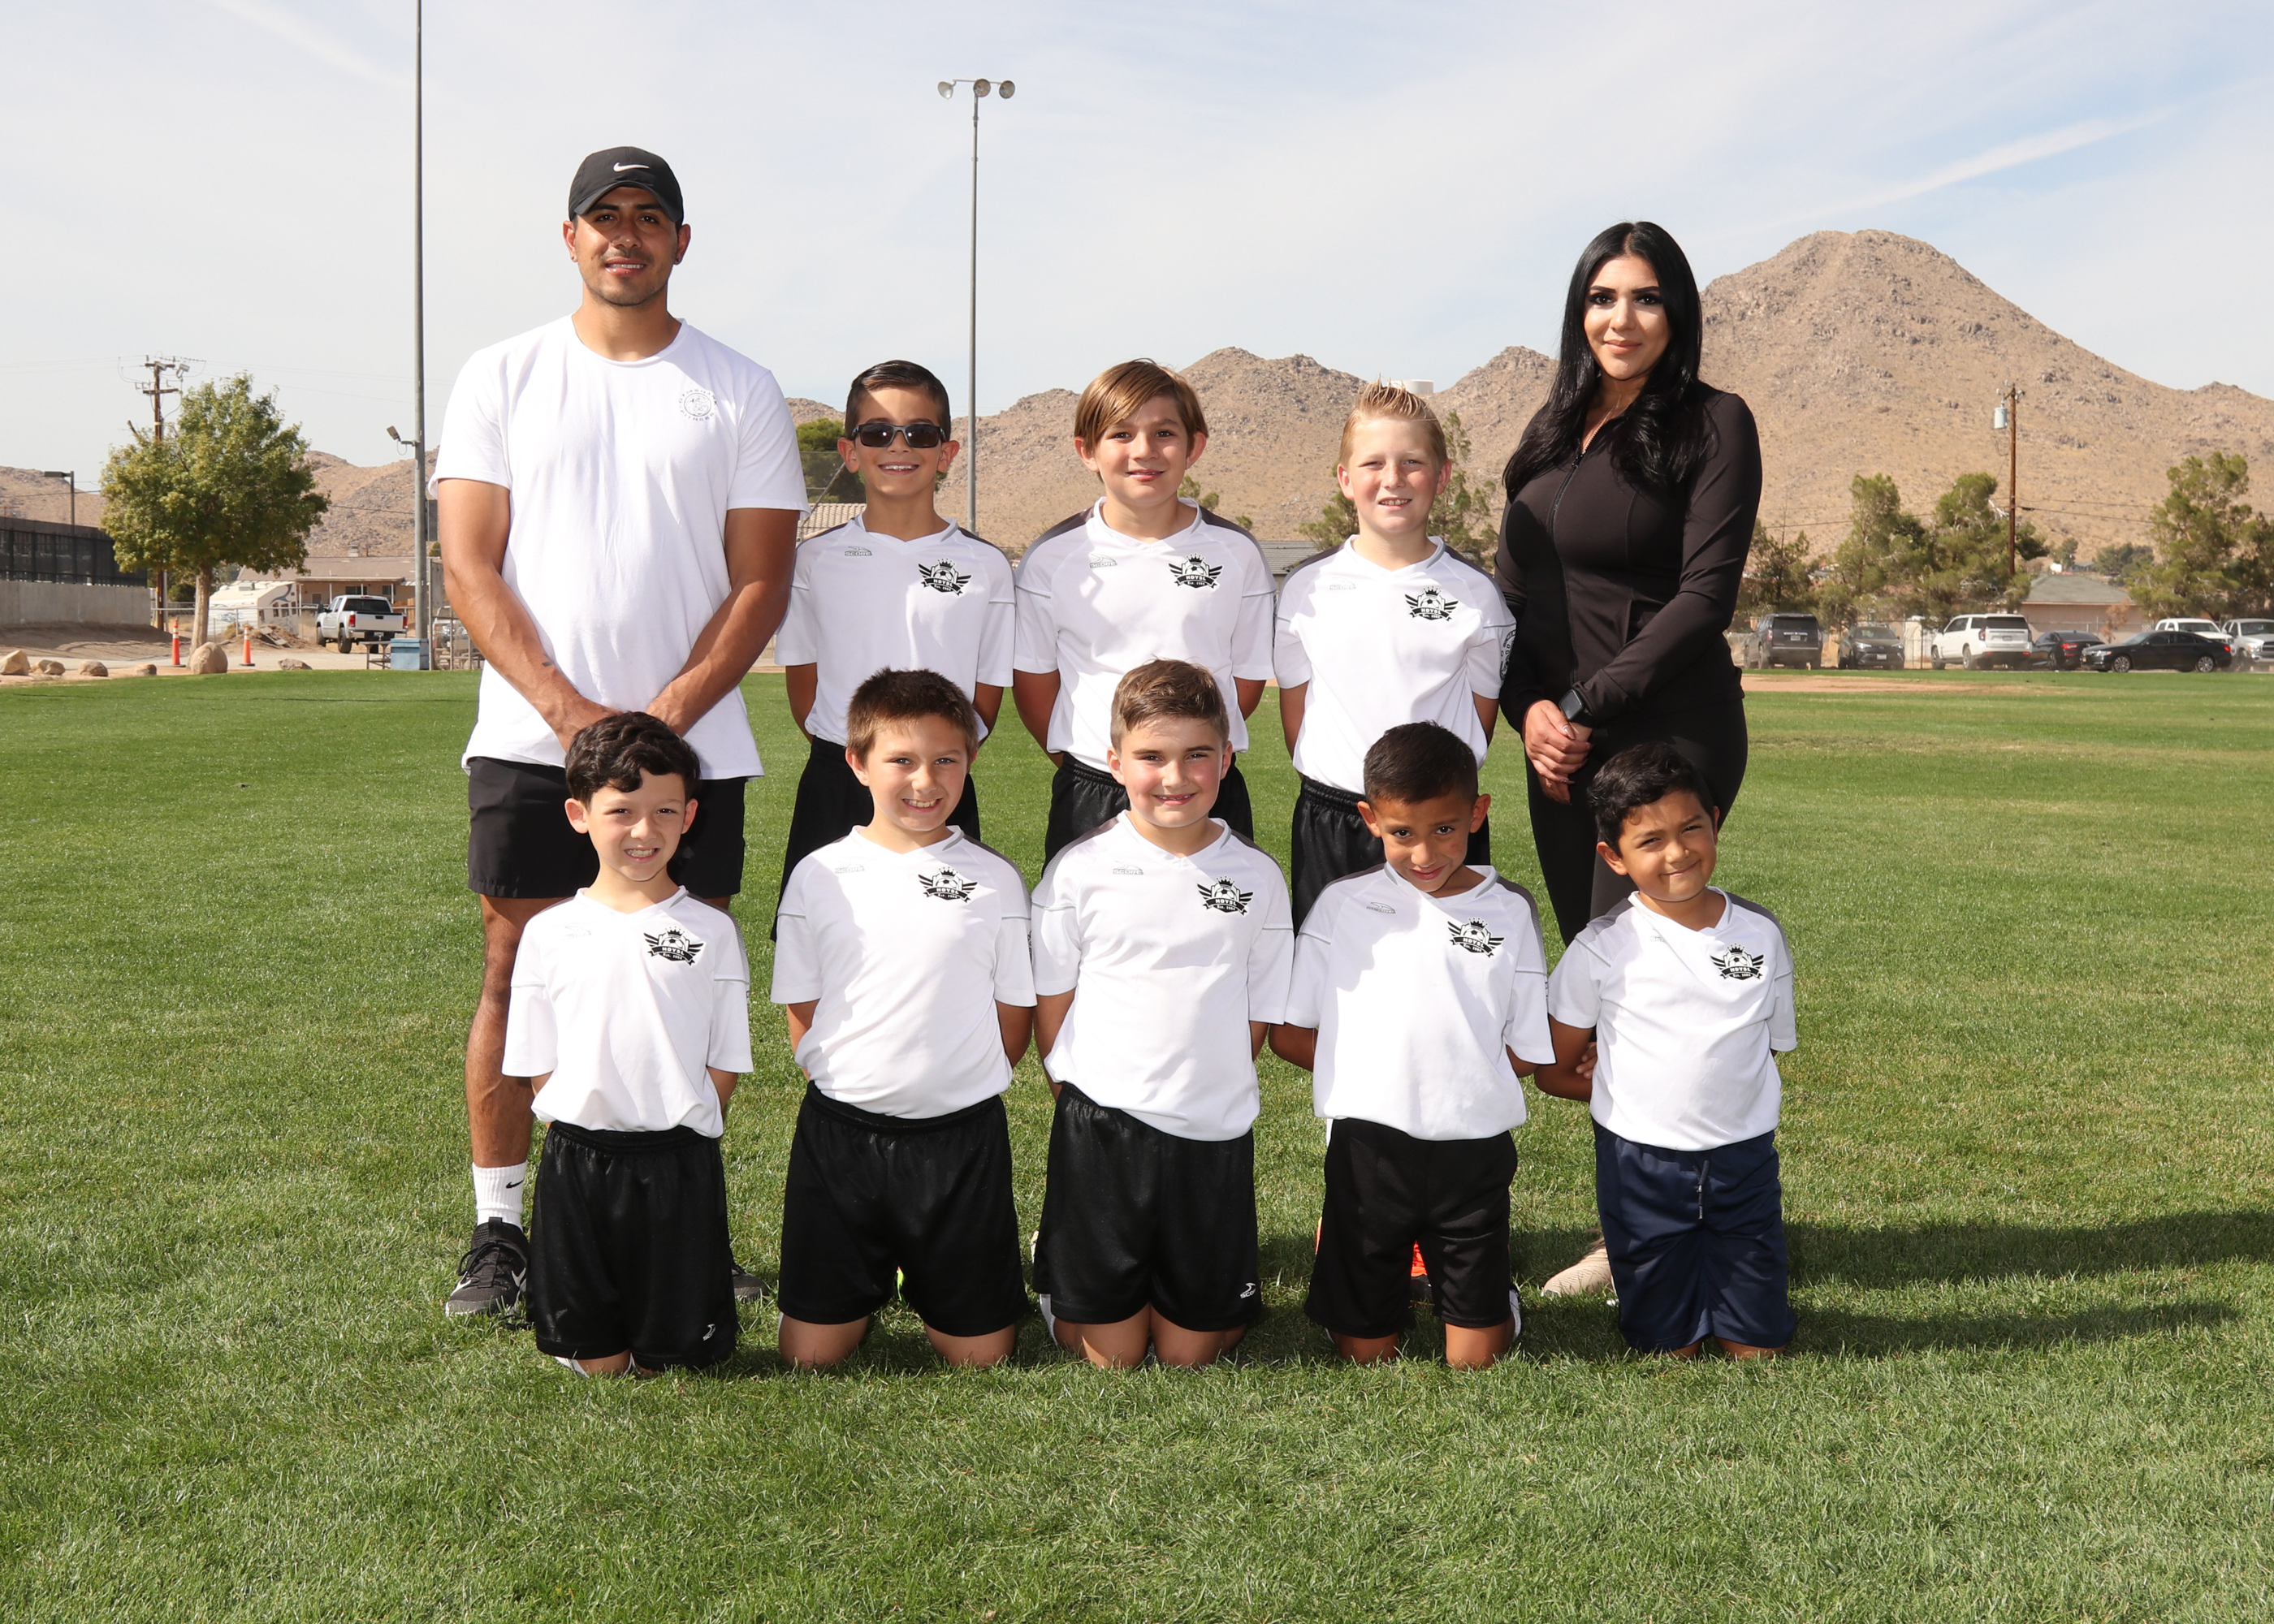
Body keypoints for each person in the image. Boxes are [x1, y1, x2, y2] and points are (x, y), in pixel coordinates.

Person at [434, 148, 805, 1317]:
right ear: (571, 237)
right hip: (529, 740)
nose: (626, 235)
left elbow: (761, 582)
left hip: (696, 750)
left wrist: (662, 726)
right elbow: (469, 565)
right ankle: (503, 1230)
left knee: (678, 976)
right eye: (605, 216)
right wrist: (570, 715)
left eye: (650, 216)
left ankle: (676, 1221)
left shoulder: (739, 387)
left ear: (680, 241)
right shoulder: (501, 374)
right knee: (515, 972)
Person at [1494, 222, 1762, 1298]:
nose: (1622, 318)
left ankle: (1647, 1235)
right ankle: (1640, 1216)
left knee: (1650, 984)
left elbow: (1704, 596)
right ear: (1579, 312)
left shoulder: (1713, 422)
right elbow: (1512, 606)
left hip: (1668, 733)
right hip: (1562, 748)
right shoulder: (1548, 433)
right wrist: (1529, 714)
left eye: (1646, 298)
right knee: (1604, 979)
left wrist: (1582, 706)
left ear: (1677, 314)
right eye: (1603, 298)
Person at [1029, 659, 1293, 1367]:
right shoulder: (1080, 870)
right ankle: (1066, 1271)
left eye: (1196, 755)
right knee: (1112, 1357)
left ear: (1227, 758)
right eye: (1151, 757)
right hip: (1104, 1127)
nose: (1174, 777)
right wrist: (1074, 1093)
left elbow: (1257, 1011)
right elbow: (1053, 1002)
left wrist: (1204, 1085)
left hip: (1211, 1130)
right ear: (1115, 762)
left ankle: (1173, 1288)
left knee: (1189, 1355)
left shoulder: (1258, 876)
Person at [768, 669, 1034, 1368]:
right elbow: (803, 1008)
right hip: (842, 1138)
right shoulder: (820, 874)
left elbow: (1013, 1013)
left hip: (961, 1139)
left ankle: (938, 1278)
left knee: (982, 1358)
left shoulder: (994, 879)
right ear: (857, 763)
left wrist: (954, 1082)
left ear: (970, 761)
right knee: (809, 1359)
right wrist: (853, 1082)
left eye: (946, 759)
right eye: (902, 761)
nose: (925, 781)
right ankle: (855, 1283)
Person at [1270, 723, 1558, 1367]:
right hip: (1369, 1150)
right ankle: (1380, 1285)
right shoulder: (1343, 905)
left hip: (1472, 1149)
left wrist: (1461, 1078)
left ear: (1477, 814)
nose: (1424, 852)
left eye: (1445, 829)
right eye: (1403, 833)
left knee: (1473, 1360)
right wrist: (1374, 1076)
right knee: (1365, 1352)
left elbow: (1525, 1046)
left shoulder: (1509, 910)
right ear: (1371, 819)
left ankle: (1493, 1297)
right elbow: (1289, 1033)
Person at [503, 714, 750, 1376]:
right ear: (579, 815)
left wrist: (687, 1120)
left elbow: (726, 1055)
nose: (645, 831)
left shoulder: (711, 932)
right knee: (598, 1364)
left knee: (675, 1360)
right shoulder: (550, 932)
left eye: (665, 810)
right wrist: (580, 1116)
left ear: (690, 815)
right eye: (622, 812)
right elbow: (535, 1059)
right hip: (579, 1162)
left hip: (679, 1163)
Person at [1537, 742, 1796, 1358]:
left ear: (1715, 821)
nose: (1677, 853)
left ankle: (1736, 1295)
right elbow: (1552, 1069)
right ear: (1614, 857)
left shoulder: (1760, 933)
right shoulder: (1601, 948)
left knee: (1755, 1348)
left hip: (1743, 1155)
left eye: (1690, 829)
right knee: (1667, 1348)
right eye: (1650, 841)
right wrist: (1622, 1080)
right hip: (1641, 1162)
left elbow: (1767, 1046)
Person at [773, 361, 1014, 909]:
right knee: (823, 936)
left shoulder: (986, 566)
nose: (899, 446)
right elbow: (804, 687)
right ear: (850, 451)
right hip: (840, 774)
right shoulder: (814, 560)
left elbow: (987, 695)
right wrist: (864, 759)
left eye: (920, 433)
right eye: (878, 433)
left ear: (946, 453)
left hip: (941, 780)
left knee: (951, 934)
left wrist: (935, 757)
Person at [1012, 360, 1275, 860]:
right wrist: (1100, 761)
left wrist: (1192, 752)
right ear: (1087, 450)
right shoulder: (1053, 558)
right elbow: (1034, 684)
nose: (1144, 451)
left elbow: (1246, 679)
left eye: (1164, 433)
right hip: (1094, 784)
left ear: (1194, 446)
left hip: (1205, 782)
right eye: (1121, 434)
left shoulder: (1235, 552)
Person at [1275, 383, 1513, 925]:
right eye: (1373, 463)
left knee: (1447, 964)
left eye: (1412, 462)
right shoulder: (1307, 589)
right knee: (1332, 969)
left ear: (1442, 476)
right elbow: (1297, 715)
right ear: (1345, 479)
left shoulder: (1476, 594)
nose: (1393, 478)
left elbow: (1481, 715)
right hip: (1334, 816)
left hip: (1440, 823)